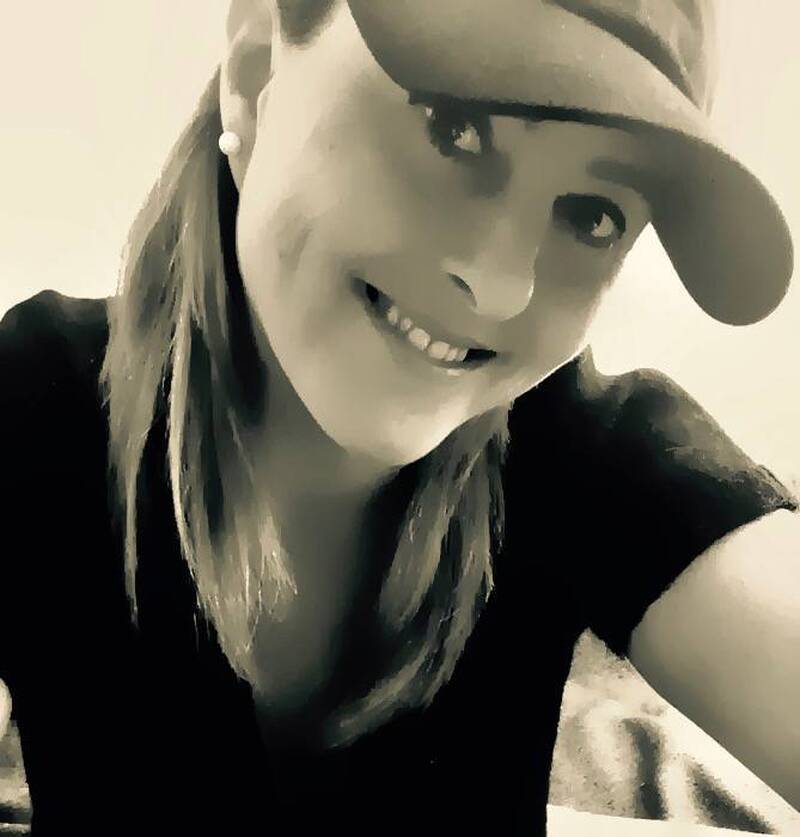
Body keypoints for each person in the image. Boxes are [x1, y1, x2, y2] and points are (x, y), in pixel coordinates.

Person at [1, 1, 797, 834]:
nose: (501, 283)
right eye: (455, 129)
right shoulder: (39, 402)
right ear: (257, 72)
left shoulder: (582, 450)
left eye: (593, 215)